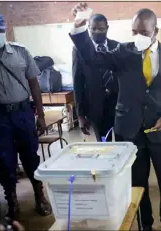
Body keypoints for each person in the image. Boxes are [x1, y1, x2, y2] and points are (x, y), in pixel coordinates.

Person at [70, 3, 161, 231]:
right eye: (134, 32)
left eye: (143, 32)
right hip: (129, 130)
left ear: (156, 30)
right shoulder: (123, 52)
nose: (138, 36)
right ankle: (146, 223)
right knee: (137, 182)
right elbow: (93, 58)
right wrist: (78, 26)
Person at [0, 12, 51, 219]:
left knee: (31, 156)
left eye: (0, 30)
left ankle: (39, 196)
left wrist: (41, 115)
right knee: (5, 160)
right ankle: (12, 201)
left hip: (23, 111)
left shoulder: (21, 51)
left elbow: (34, 83)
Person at [72, 11, 118, 141]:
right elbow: (77, 82)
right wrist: (80, 115)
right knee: (104, 143)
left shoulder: (117, 46)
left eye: (101, 29)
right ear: (88, 28)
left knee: (122, 142)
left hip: (117, 105)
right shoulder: (79, 50)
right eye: (93, 29)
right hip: (96, 108)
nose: (97, 32)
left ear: (107, 28)